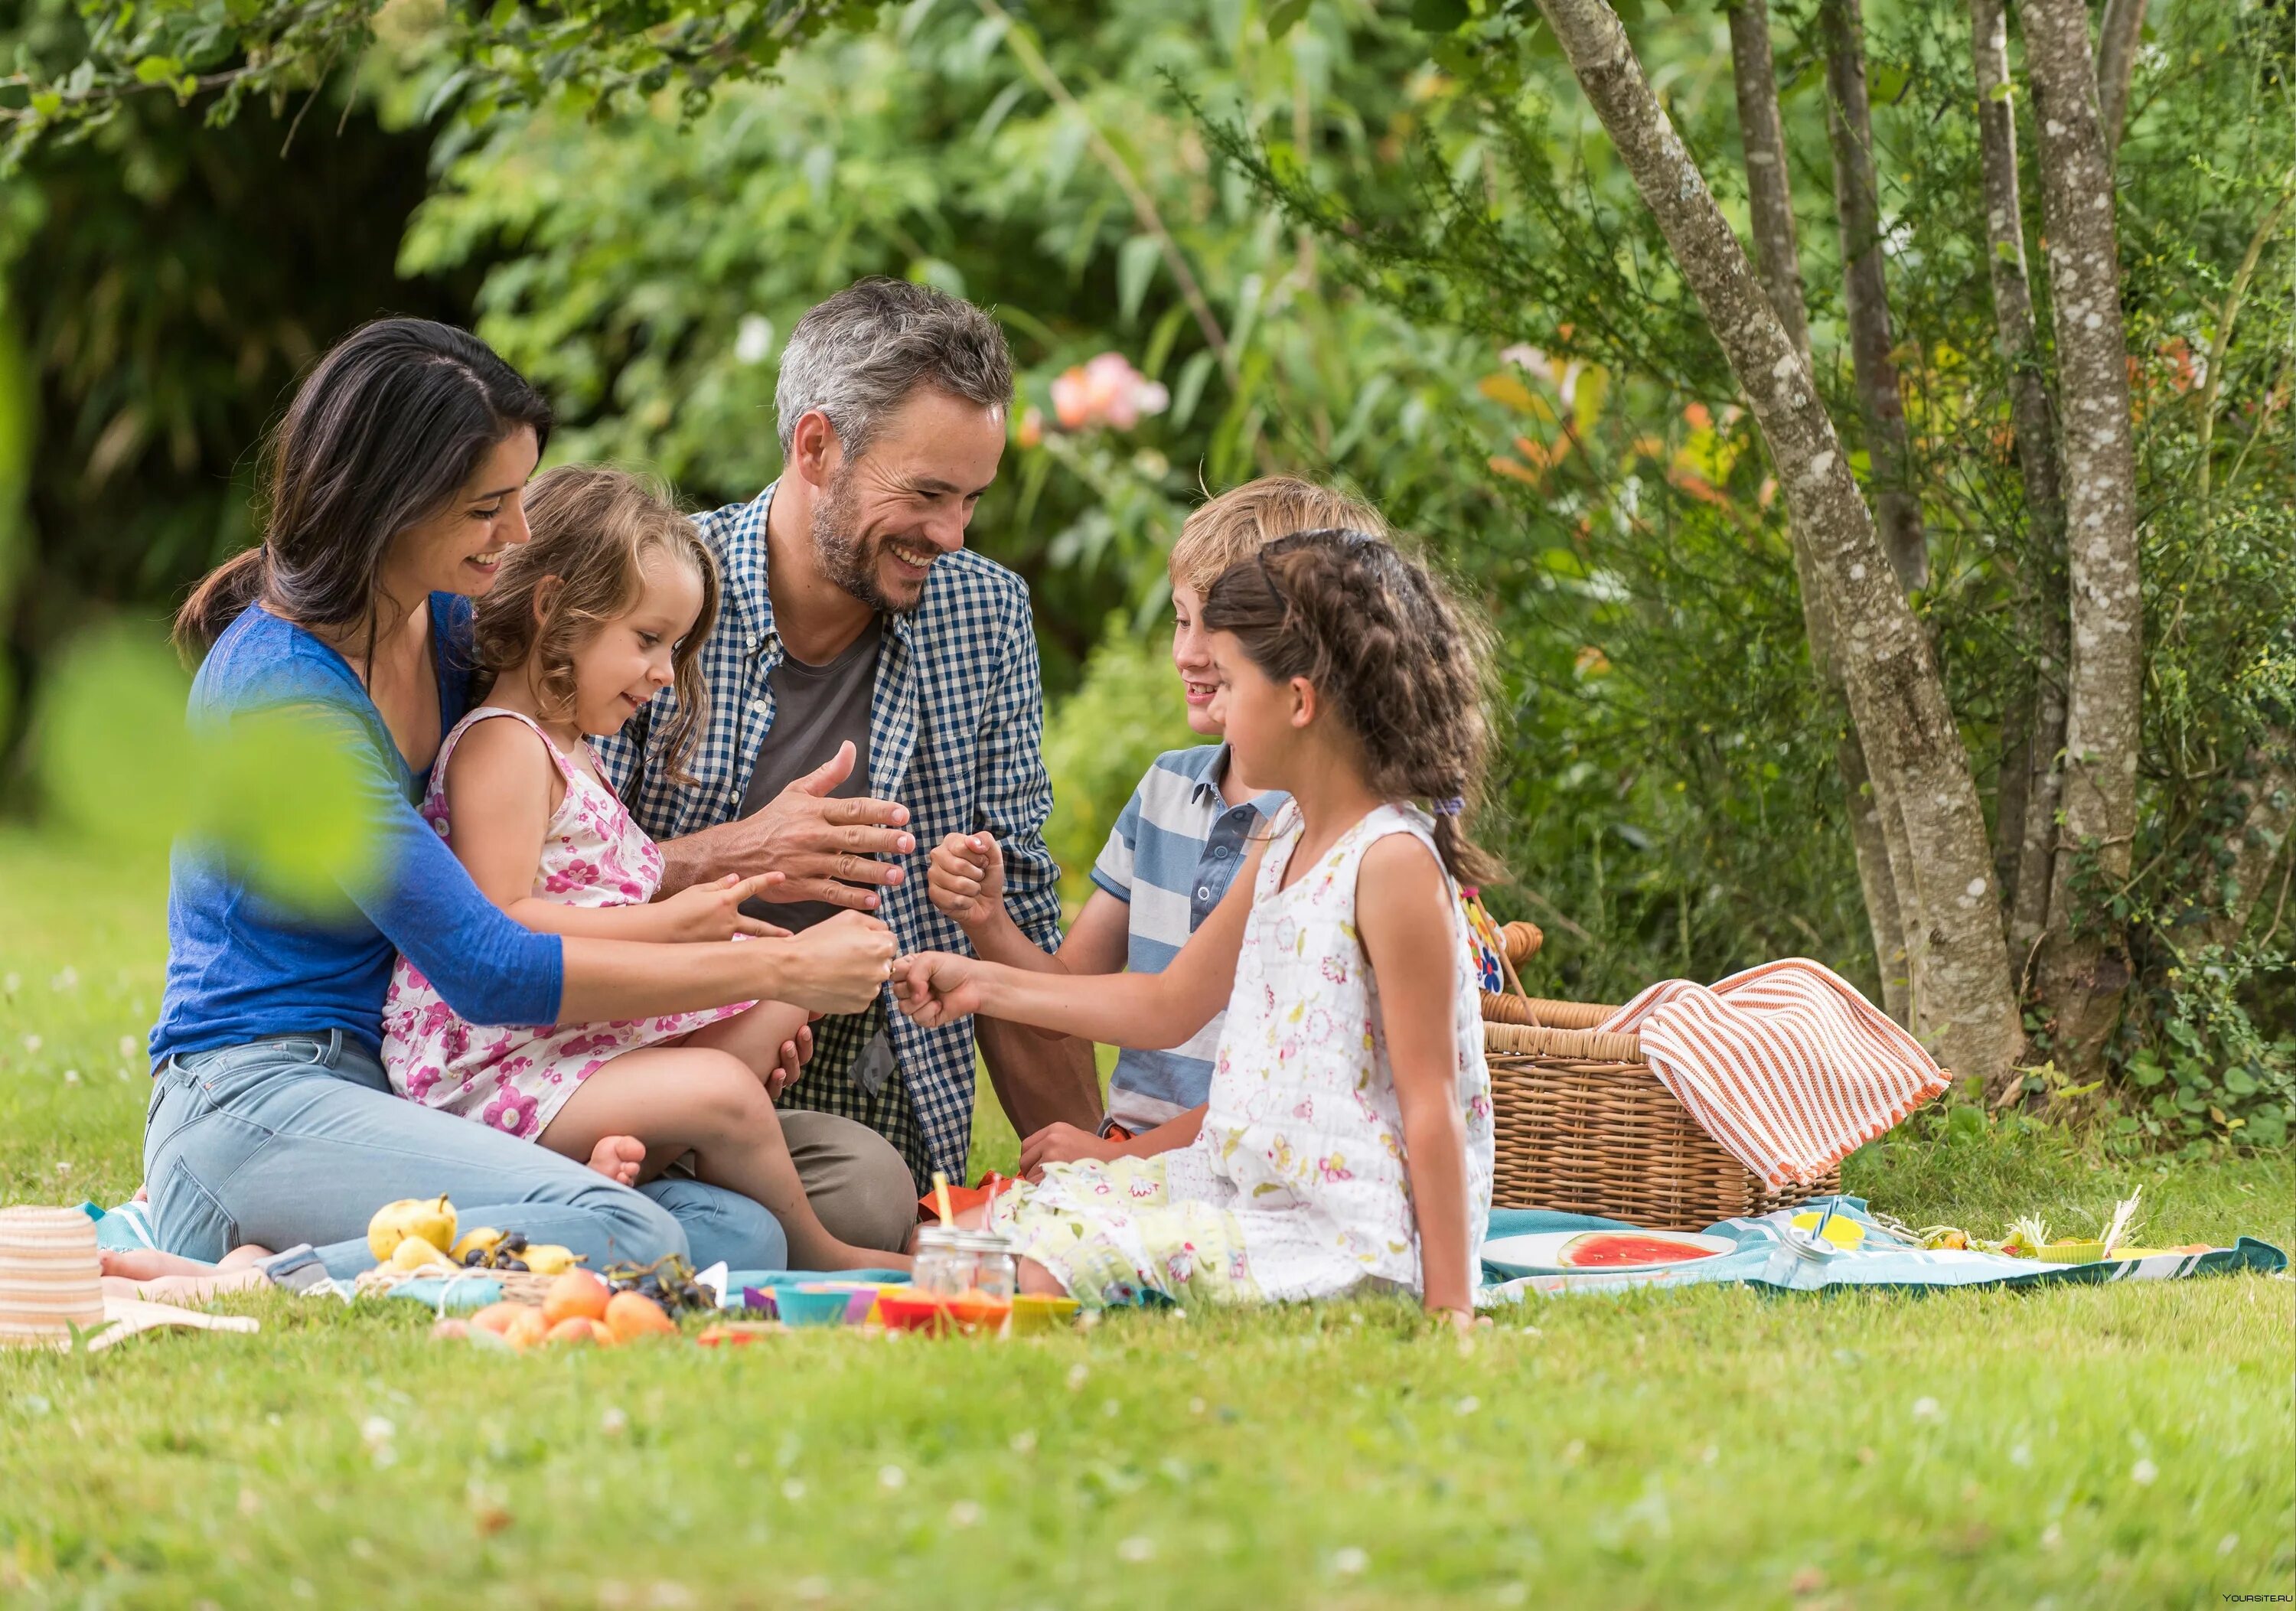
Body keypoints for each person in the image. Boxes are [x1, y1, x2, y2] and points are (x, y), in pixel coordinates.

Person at [146, 318, 898, 1283]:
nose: (519, 533)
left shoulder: (451, 635)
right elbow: (488, 962)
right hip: (256, 1097)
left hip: (406, 1091)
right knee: (634, 1238)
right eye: (487, 506)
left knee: (744, 1237)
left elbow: (559, 862)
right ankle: (255, 1273)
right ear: (388, 502)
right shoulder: (283, 694)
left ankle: (511, 1210)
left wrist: (736, 860)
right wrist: (781, 966)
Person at [892, 529, 1500, 1326]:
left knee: (1004, 1277)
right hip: (1237, 1182)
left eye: (1233, 680)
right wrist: (981, 981)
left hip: (1340, 1236)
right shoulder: (1287, 837)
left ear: (1297, 700)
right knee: (960, 1239)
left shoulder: (1389, 862)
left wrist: (1450, 1304)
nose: (1216, 702)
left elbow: (1432, 1103)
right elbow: (1168, 1003)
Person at [597, 279, 1101, 1196]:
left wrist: (1097, 1175)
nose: (950, 534)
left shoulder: (985, 616)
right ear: (817, 447)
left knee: (869, 1195)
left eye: (972, 500)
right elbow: (550, 890)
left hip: (867, 1091)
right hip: (639, 1062)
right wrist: (739, 854)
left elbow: (1015, 921)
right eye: (927, 493)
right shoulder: (648, 596)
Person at [382, 465, 899, 1271]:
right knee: (725, 1088)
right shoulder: (502, 746)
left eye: (676, 646)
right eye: (649, 640)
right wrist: (669, 923)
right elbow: (501, 922)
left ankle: (615, 1170)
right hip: (492, 1069)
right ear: (555, 609)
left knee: (778, 1001)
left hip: (565, 1046)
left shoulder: (575, 752)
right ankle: (820, 1250)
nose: (665, 672)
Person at [925, 478, 1385, 1172]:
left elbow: (1276, 1089)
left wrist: (1125, 1160)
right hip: (1135, 1149)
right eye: (1181, 619)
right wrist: (988, 921)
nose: (1189, 654)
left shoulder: (1319, 834)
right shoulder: (1167, 790)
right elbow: (1071, 996)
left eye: (1217, 631)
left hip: (1239, 1157)